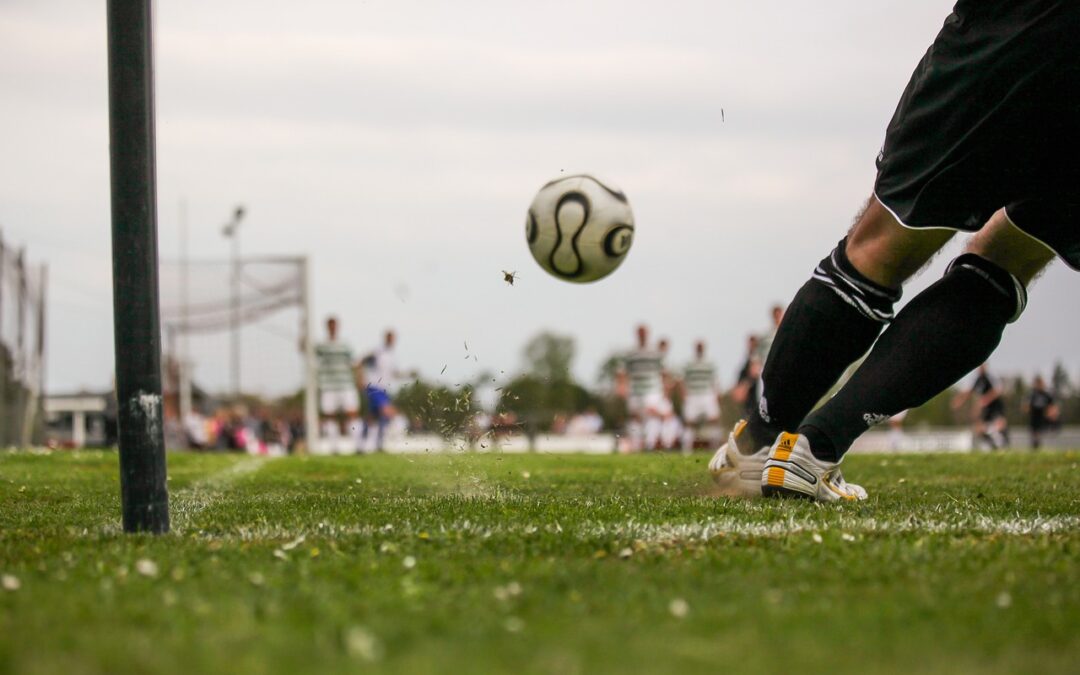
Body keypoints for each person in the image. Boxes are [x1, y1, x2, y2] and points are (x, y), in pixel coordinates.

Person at [711, 2, 1079, 501]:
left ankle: (759, 446)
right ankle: (813, 450)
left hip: (1017, 23)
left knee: (880, 245)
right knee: (1012, 255)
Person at [614, 325, 666, 451]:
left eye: (644, 333)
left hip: (652, 389)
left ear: (648, 334)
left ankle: (650, 444)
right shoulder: (631, 352)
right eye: (640, 333)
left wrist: (664, 388)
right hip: (635, 389)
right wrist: (621, 386)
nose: (642, 335)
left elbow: (663, 371)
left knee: (651, 413)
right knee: (635, 416)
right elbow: (622, 371)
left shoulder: (655, 352)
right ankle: (637, 446)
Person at [314, 316, 360, 453]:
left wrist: (360, 379)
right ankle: (334, 447)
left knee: (352, 413)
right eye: (330, 325)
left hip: (346, 384)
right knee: (329, 415)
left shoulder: (345, 345)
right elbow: (309, 354)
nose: (332, 327)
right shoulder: (321, 346)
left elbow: (354, 363)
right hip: (328, 386)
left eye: (334, 325)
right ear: (327, 327)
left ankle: (358, 446)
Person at [360, 329, 402, 452]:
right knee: (388, 412)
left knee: (373, 417)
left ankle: (365, 444)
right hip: (374, 386)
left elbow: (394, 373)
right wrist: (360, 378)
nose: (391, 340)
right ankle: (379, 443)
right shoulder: (378, 351)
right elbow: (361, 361)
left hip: (384, 388)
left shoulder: (392, 355)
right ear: (385, 338)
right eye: (389, 337)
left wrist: (408, 374)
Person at [952, 363, 1010, 450]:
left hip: (996, 406)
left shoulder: (990, 377)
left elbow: (998, 390)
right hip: (986, 409)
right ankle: (993, 446)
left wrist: (986, 399)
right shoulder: (977, 379)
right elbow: (969, 391)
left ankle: (1003, 445)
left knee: (1000, 425)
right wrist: (959, 401)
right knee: (979, 429)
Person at [681, 340, 722, 450]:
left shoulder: (710, 363)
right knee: (689, 422)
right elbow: (684, 381)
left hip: (707, 394)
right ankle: (686, 450)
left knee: (714, 420)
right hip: (692, 395)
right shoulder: (689, 364)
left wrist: (716, 395)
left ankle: (715, 448)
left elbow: (715, 381)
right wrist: (684, 395)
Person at [1023, 374, 1059, 449]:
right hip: (1034, 418)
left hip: (1044, 418)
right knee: (1035, 437)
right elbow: (1026, 407)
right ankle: (1036, 447)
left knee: (1043, 435)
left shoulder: (1047, 394)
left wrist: (1051, 414)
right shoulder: (1032, 394)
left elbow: (1053, 407)